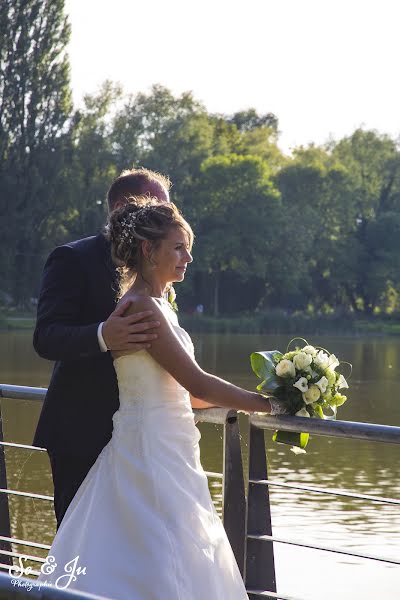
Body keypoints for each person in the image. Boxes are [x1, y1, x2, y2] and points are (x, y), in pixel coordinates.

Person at [38, 198, 278, 599]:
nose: (188, 257)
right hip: (149, 450)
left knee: (177, 548)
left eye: (188, 248)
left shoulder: (160, 305)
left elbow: (184, 393)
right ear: (149, 250)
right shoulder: (141, 309)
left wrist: (241, 401)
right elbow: (198, 383)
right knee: (161, 552)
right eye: (179, 247)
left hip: (172, 444)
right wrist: (269, 403)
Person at [33, 168, 171, 528]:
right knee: (80, 541)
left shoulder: (159, 268)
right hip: (82, 431)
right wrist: (102, 336)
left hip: (143, 437)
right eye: (159, 205)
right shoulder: (72, 258)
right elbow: (46, 336)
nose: (170, 216)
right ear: (125, 206)